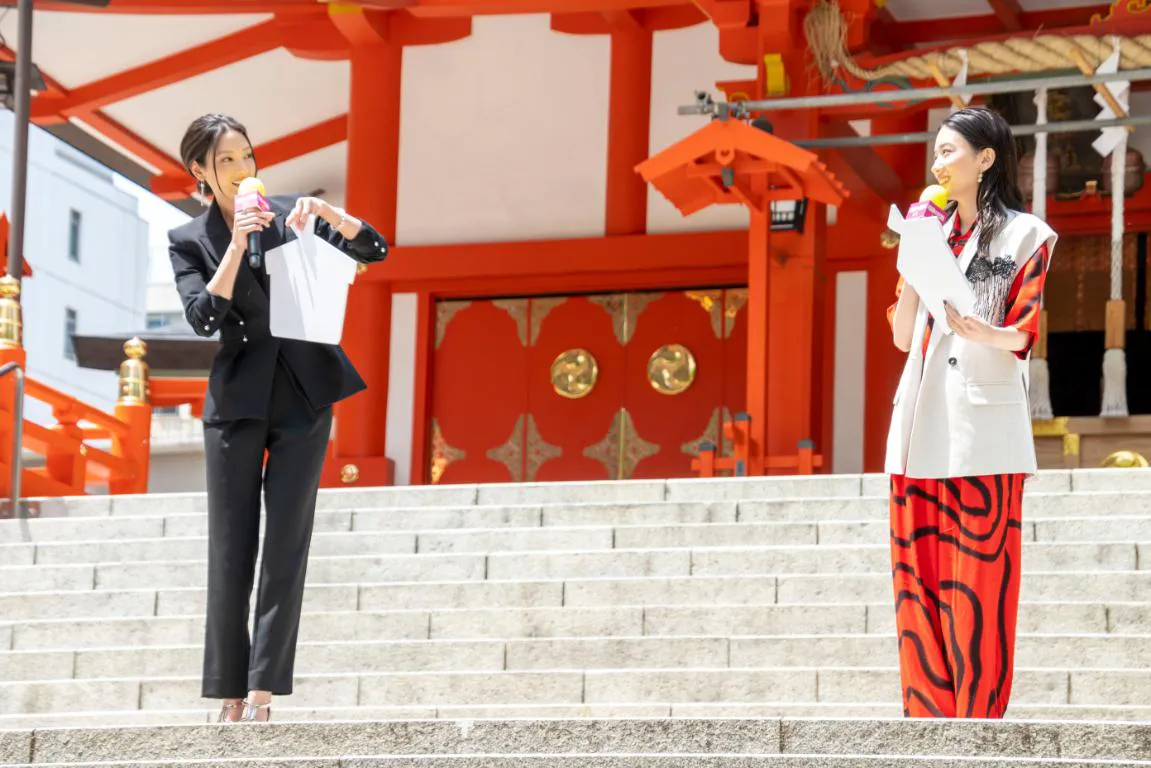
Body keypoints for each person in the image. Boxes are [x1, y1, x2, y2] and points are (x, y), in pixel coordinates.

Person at [167, 114, 388, 723]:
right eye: (227, 162)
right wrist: (237, 242)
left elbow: (374, 249)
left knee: (287, 540)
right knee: (231, 546)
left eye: (247, 157)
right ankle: (228, 691)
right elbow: (203, 317)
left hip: (304, 393)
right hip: (236, 402)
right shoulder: (190, 239)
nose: (242, 171)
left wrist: (331, 216)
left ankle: (264, 689)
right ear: (201, 173)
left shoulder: (293, 212)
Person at [885, 106, 1057, 719]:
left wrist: (985, 331)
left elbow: (1023, 332)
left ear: (986, 160)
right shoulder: (929, 233)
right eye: (935, 151)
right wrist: (912, 256)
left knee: (980, 580)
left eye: (950, 151)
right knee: (919, 576)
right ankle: (928, 718)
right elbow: (905, 336)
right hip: (917, 426)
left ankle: (977, 721)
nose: (938, 162)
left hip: (983, 426)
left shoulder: (1026, 236)